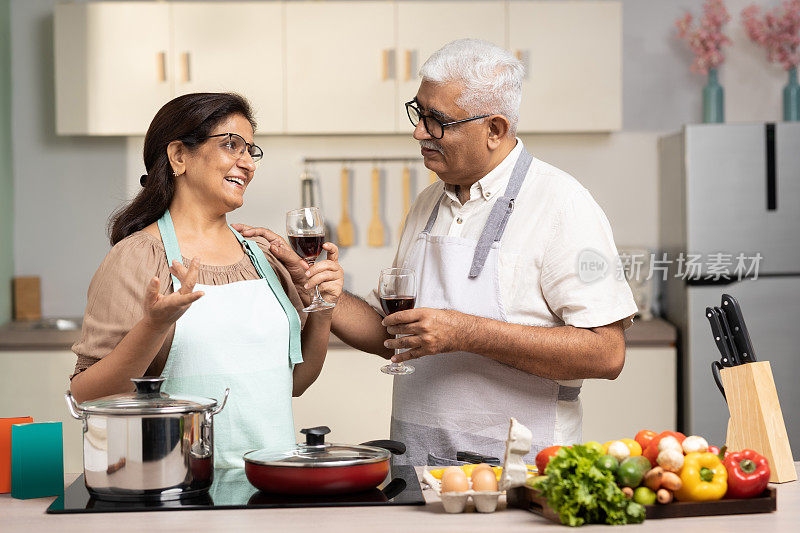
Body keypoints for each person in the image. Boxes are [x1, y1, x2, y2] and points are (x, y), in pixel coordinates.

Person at [236, 39, 637, 466]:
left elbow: (606, 353)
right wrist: (320, 289)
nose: (418, 131)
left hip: (521, 468)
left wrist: (466, 332)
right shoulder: (428, 203)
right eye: (418, 112)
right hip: (418, 462)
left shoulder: (561, 203)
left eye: (437, 120)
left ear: (495, 130)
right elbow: (391, 335)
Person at [70, 92, 343, 468]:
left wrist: (324, 307)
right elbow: (87, 397)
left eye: (251, 150)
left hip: (272, 485)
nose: (247, 163)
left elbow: (293, 383)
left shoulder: (261, 257)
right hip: (178, 491)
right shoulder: (137, 257)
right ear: (179, 155)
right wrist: (154, 325)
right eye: (232, 145)